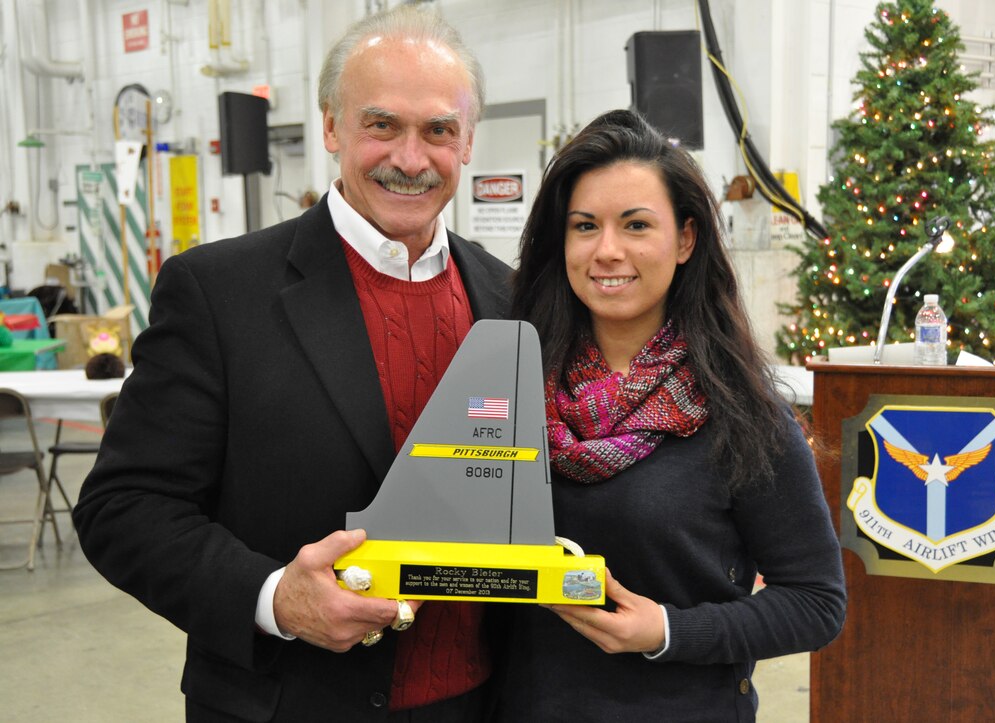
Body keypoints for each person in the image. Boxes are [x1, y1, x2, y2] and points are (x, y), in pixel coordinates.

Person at [73, 6, 510, 722]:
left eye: (437, 129)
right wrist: (273, 595)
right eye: (381, 125)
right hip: (289, 700)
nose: (410, 157)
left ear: (467, 141)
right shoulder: (218, 292)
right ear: (333, 127)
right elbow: (122, 509)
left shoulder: (510, 297)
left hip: (478, 701)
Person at [494, 109, 846, 722]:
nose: (607, 251)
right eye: (585, 226)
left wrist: (666, 631)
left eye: (635, 225)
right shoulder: (512, 393)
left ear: (684, 240)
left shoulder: (743, 414)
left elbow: (816, 603)